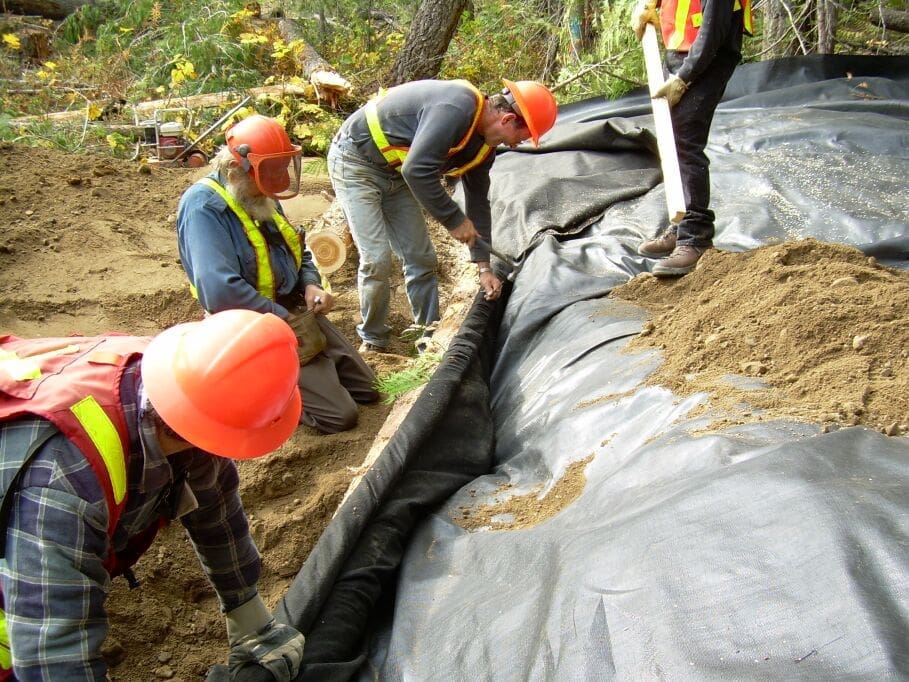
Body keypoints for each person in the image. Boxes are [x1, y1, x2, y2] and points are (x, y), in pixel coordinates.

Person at [0, 310, 306, 681]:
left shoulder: (180, 382)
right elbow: (52, 654)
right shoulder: (65, 481)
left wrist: (250, 617)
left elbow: (216, 509)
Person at [177, 114, 378, 434]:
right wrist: (280, 319)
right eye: (270, 173)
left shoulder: (259, 194)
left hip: (292, 308)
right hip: (250, 325)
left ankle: (310, 375)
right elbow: (219, 291)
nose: (278, 180)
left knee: (371, 389)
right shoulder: (203, 208)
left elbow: (296, 250)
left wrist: (311, 283)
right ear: (235, 169)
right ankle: (253, 387)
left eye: (282, 169)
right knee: (340, 416)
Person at [327, 78, 558, 353]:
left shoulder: (484, 148)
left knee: (421, 258)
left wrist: (483, 266)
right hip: (356, 162)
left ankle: (429, 338)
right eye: (521, 137)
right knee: (377, 259)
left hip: (396, 173)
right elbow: (417, 171)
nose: (516, 145)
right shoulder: (456, 107)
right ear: (508, 119)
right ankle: (374, 339)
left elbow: (478, 203)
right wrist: (453, 220)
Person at [632, 0, 752, 275]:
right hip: (680, 51)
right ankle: (682, 224)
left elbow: (713, 31)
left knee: (686, 141)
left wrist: (685, 76)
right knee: (671, 138)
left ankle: (696, 236)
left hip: (707, 57)